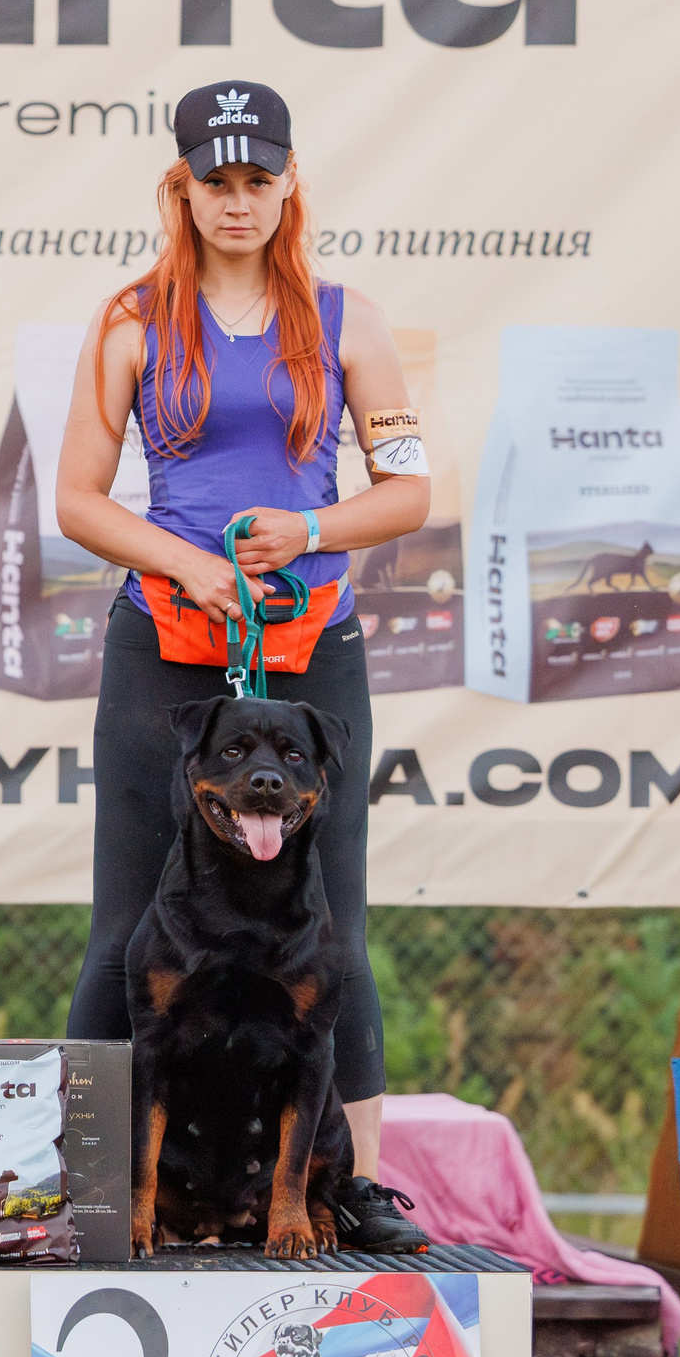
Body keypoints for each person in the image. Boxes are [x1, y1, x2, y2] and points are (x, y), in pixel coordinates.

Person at [55, 80, 433, 1252]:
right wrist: (185, 562)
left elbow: (410, 490)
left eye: (254, 181)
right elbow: (72, 499)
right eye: (212, 183)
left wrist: (306, 531)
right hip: (164, 647)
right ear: (182, 188)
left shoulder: (346, 319)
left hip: (310, 645)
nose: (235, 202)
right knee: (126, 922)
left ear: (285, 186)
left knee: (338, 924)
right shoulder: (128, 317)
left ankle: (348, 1184)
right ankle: (83, 1182)